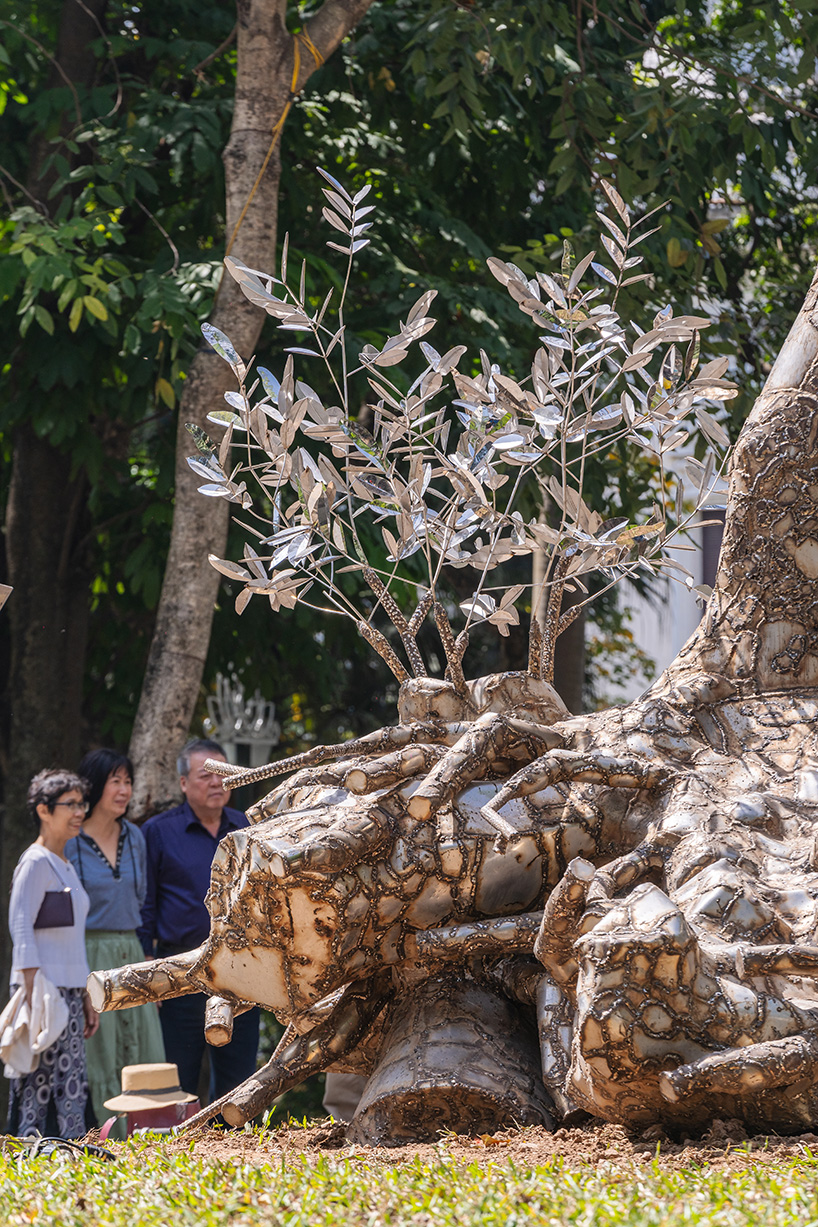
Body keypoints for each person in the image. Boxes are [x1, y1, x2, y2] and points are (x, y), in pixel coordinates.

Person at [137, 739, 260, 1103]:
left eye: (223, 775)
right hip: (180, 971)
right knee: (178, 1074)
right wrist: (146, 958)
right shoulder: (158, 832)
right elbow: (146, 901)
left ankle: (237, 1151)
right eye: (205, 776)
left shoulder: (247, 828)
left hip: (241, 969)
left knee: (238, 1078)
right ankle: (176, 1152)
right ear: (183, 783)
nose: (216, 783)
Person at [66, 748, 165, 1137]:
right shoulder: (71, 840)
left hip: (132, 954)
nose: (124, 790)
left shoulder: (135, 836)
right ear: (94, 787)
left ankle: (149, 1140)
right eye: (115, 781)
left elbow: (144, 906)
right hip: (89, 953)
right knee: (100, 1055)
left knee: (144, 1047)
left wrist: (149, 963)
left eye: (128, 781)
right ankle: (108, 1139)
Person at [6, 769, 99, 1138]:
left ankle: (68, 1150)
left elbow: (73, 937)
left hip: (70, 990)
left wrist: (87, 994)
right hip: (42, 989)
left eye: (82, 804)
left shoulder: (64, 865)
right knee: (38, 1077)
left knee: (69, 1077)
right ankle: (32, 1150)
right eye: (70, 805)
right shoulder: (34, 862)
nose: (79, 812)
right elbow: (20, 925)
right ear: (44, 810)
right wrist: (30, 992)